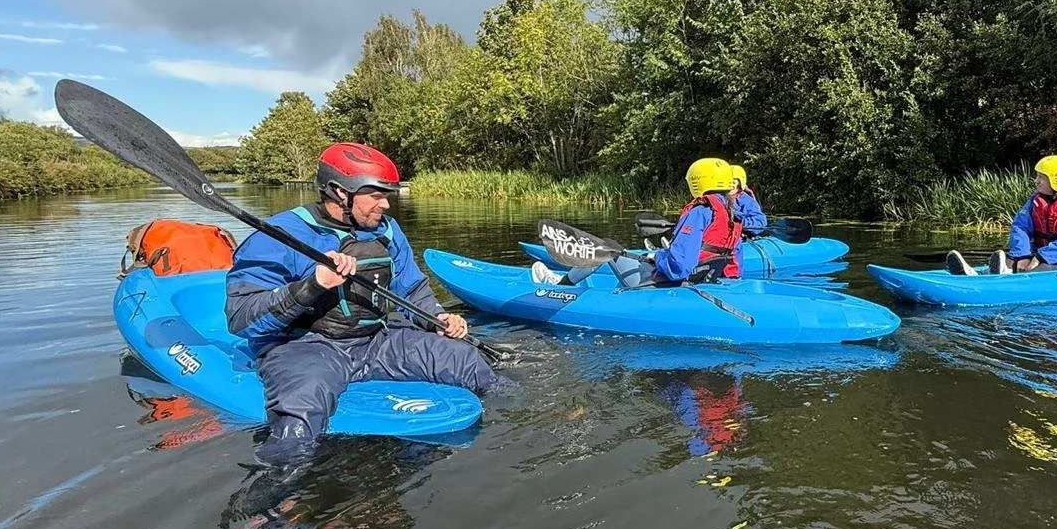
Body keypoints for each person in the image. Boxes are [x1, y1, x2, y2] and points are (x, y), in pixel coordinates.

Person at [226, 142, 498, 465]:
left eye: (388, 194)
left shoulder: (387, 232)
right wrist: (313, 285)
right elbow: (241, 316)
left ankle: (519, 411)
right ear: (341, 192)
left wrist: (439, 318)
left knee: (467, 360)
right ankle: (278, 501)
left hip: (375, 342)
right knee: (300, 419)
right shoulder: (280, 236)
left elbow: (412, 290)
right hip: (306, 349)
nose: (386, 204)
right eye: (376, 194)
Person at [531, 157, 745, 288]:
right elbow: (734, 266)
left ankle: (561, 287)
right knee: (642, 258)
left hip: (670, 284)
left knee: (608, 247)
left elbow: (679, 267)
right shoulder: (733, 214)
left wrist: (659, 257)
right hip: (701, 281)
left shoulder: (699, 211)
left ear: (698, 182)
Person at [948, 154, 1057, 276]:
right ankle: (976, 275)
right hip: (1041, 251)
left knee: (1042, 269)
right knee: (1010, 259)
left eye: (1042, 177)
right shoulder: (1036, 199)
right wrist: (1023, 254)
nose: (1036, 181)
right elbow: (1020, 227)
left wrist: (1042, 257)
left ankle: (1003, 276)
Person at [730, 164, 768, 236]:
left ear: (740, 186)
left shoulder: (746, 201)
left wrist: (739, 223)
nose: (728, 186)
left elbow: (760, 221)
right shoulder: (719, 198)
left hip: (739, 235)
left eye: (733, 183)